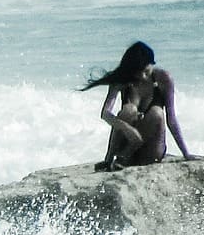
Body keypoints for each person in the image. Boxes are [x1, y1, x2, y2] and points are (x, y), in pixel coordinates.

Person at [82, 41, 195, 170]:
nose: (142, 76)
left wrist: (186, 153)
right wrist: (127, 129)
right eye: (137, 72)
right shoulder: (123, 79)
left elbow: (172, 119)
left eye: (146, 71)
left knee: (157, 113)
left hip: (151, 151)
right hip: (125, 147)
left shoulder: (163, 78)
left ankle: (124, 157)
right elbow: (105, 113)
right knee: (128, 110)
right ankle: (111, 159)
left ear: (152, 64)